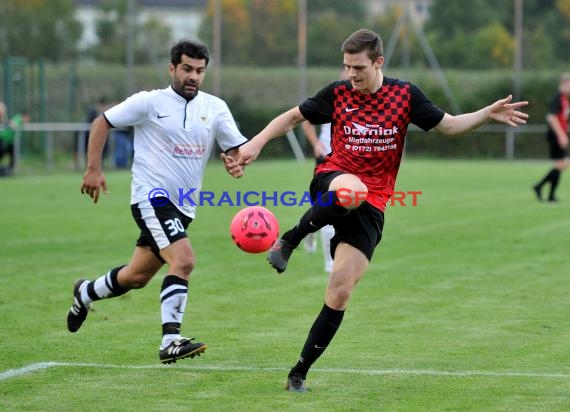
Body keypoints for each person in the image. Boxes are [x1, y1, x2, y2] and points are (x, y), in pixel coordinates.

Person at [237, 28, 529, 392]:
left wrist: (486, 113)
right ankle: (291, 239)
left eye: (358, 67)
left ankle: (298, 373)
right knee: (352, 189)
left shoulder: (405, 95)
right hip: (333, 180)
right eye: (346, 67)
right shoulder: (338, 93)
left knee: (340, 290)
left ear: (378, 62)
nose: (351, 75)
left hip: (373, 204)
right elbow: (294, 117)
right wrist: (257, 142)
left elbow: (450, 126)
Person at [66, 40, 247, 364]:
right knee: (184, 260)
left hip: (185, 206)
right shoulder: (150, 103)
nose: (194, 76)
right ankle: (170, 341)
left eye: (200, 71)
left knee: (136, 276)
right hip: (152, 198)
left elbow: (235, 148)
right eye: (187, 69)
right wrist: (93, 168)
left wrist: (235, 161)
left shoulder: (215, 107)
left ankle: (85, 292)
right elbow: (102, 122)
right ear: (172, 68)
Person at [301, 120, 334, 274]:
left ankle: (309, 225)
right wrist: (316, 144)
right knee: (327, 210)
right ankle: (330, 263)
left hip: (351, 162)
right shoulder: (331, 98)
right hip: (326, 157)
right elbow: (307, 120)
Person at [532, 73, 570, 202]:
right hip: (555, 136)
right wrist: (561, 135)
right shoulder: (558, 98)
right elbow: (551, 117)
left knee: (561, 165)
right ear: (564, 84)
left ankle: (547, 192)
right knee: (562, 164)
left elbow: (562, 119)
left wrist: (566, 129)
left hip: (559, 135)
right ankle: (542, 189)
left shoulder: (564, 99)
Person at [0, 110, 30, 175]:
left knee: (14, 155)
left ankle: (9, 170)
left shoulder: (21, 121)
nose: (28, 121)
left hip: (9, 142)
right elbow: (12, 123)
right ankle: (7, 170)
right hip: (3, 139)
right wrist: (13, 125)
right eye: (28, 118)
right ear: (25, 117)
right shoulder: (19, 118)